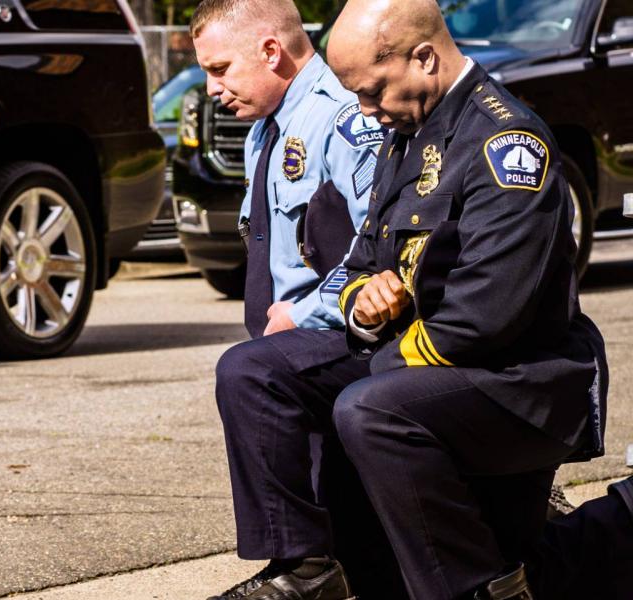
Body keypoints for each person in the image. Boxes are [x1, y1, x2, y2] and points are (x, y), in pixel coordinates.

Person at [209, 0, 607, 598]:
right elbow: (363, 261)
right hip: (428, 360)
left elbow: (484, 317)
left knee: (367, 406)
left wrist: (376, 357)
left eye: (371, 92)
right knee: (253, 369)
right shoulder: (408, 133)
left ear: (423, 58)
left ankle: (483, 587)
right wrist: (363, 303)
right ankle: (306, 571)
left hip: (521, 379)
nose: (365, 110)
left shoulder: (507, 144)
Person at [191, 0, 385, 338]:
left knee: (243, 374)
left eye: (220, 69)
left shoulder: (342, 118)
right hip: (280, 335)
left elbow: (377, 244)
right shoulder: (262, 132)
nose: (212, 89)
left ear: (270, 52)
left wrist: (304, 314)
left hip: (339, 331)